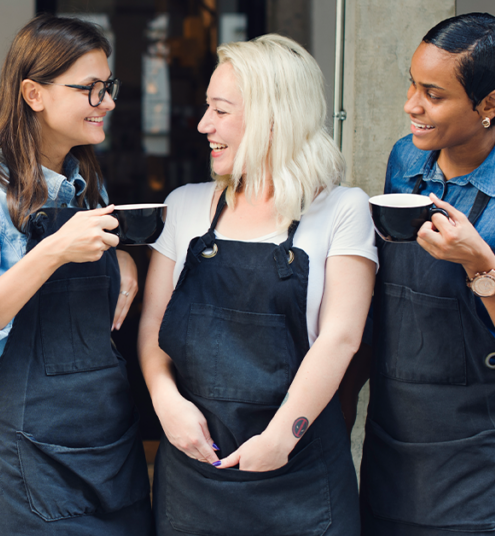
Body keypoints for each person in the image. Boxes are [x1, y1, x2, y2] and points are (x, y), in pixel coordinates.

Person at [138, 34, 375, 535]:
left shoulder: (342, 209)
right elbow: (153, 325)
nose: (204, 124)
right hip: (194, 471)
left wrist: (281, 438)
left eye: (220, 110)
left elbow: (341, 338)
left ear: (273, 118)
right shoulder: (183, 205)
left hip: (300, 471)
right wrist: (166, 402)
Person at [0, 14, 153, 535]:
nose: (107, 102)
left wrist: (122, 259)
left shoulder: (86, 185)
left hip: (109, 445)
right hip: (29, 454)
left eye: (109, 87)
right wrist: (51, 252)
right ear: (33, 94)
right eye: (91, 89)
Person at [356, 13, 495, 535]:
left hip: (485, 465)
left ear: (490, 104)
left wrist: (480, 263)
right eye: (413, 84)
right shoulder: (406, 160)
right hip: (395, 451)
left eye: (433, 94)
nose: (412, 105)